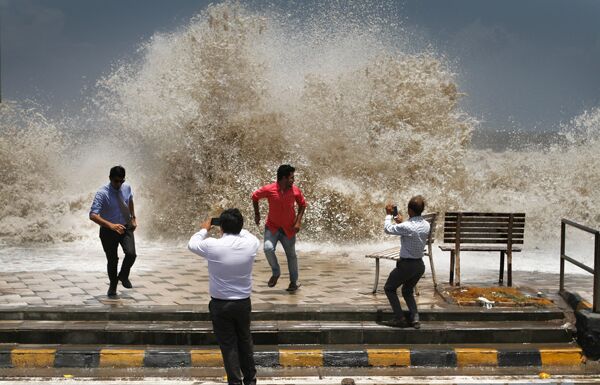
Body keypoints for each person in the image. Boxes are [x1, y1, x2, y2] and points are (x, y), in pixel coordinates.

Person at [188, 208, 259, 385]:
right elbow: (246, 233)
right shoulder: (251, 243)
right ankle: (250, 380)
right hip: (243, 303)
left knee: (229, 346)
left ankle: (235, 382)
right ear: (240, 226)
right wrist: (233, 225)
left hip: (221, 305)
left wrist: (205, 228)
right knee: (245, 342)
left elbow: (192, 243)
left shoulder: (212, 245)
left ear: (221, 227)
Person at [251, 164, 307, 292]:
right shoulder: (269, 189)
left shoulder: (295, 191)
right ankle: (276, 272)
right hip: (272, 227)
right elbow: (255, 197)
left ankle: (294, 282)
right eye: (291, 177)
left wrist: (298, 222)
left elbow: (302, 205)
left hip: (289, 229)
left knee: (291, 255)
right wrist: (257, 214)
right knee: (268, 248)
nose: (293, 180)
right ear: (283, 178)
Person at [382, 195, 430, 329]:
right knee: (407, 291)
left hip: (407, 265)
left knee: (389, 288)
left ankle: (399, 318)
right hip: (419, 266)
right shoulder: (426, 225)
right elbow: (411, 230)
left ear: (410, 210)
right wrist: (401, 222)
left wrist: (388, 215)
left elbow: (388, 229)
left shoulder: (408, 227)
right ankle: (415, 318)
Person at [89, 166, 138, 298]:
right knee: (112, 260)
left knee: (131, 254)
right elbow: (93, 215)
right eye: (116, 181)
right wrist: (111, 226)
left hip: (125, 226)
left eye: (121, 181)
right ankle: (113, 285)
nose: (119, 184)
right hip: (108, 230)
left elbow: (130, 200)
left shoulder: (126, 187)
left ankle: (123, 275)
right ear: (110, 178)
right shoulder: (102, 193)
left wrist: (133, 218)